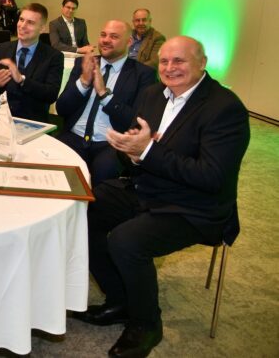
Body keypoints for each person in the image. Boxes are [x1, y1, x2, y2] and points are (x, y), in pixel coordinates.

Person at [73, 36, 250, 358]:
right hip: (148, 186)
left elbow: (212, 177)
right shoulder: (153, 94)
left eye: (179, 60)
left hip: (195, 206)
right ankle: (120, 300)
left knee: (126, 241)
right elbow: (139, 150)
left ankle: (147, 324)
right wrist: (131, 150)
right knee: (84, 210)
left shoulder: (225, 108)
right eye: (165, 61)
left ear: (202, 63)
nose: (170, 68)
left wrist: (148, 151)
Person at [56, 20, 157, 186]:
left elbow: (135, 121)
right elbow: (61, 108)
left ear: (129, 42)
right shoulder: (83, 64)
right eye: (103, 35)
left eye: (114, 37)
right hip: (74, 136)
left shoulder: (142, 74)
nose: (106, 40)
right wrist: (83, 83)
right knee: (55, 171)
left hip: (111, 144)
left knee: (103, 174)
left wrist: (104, 95)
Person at [0, 3, 63, 122]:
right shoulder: (1, 49)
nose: (22, 26)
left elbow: (51, 95)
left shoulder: (53, 56)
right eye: (21, 19)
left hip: (31, 122)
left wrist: (22, 80)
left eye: (30, 22)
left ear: (42, 28)